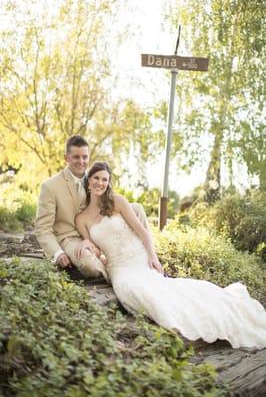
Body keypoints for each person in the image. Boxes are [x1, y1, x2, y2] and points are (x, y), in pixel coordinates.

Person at [75, 161, 266, 349]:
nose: (100, 183)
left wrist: (153, 256)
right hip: (120, 270)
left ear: (108, 183)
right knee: (132, 290)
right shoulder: (81, 219)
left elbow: (142, 231)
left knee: (166, 293)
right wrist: (86, 243)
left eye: (105, 179)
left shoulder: (117, 202)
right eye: (96, 178)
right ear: (89, 181)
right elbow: (96, 250)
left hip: (139, 259)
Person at [35, 135, 149, 280]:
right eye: (76, 157)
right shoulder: (50, 186)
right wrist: (58, 253)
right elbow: (42, 228)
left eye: (84, 157)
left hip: (94, 229)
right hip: (71, 238)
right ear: (66, 157)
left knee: (137, 208)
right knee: (90, 264)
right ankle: (117, 276)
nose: (81, 161)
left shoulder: (94, 177)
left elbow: (109, 200)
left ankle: (149, 260)